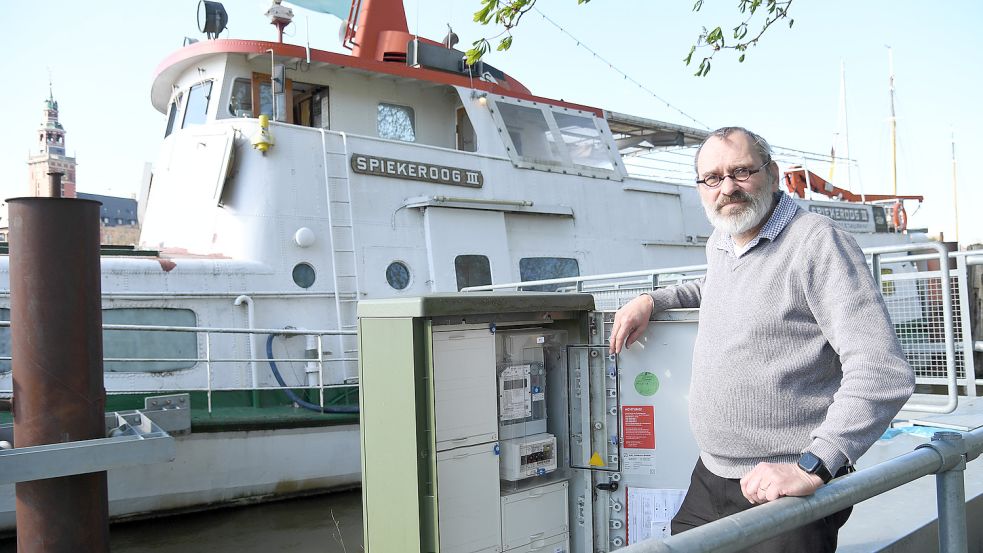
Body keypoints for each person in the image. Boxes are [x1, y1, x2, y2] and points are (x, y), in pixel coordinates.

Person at [608, 126, 914, 552]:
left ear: (771, 174)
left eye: (741, 172)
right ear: (701, 188)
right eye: (713, 178)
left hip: (787, 483)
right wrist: (653, 300)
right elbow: (713, 285)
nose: (728, 188)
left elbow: (882, 371)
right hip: (713, 475)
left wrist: (814, 466)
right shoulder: (724, 240)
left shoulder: (817, 243)